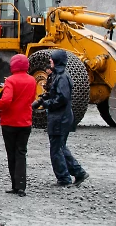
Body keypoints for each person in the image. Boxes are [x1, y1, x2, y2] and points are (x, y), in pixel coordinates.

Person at [32, 50, 89, 187]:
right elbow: (56, 94)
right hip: (60, 117)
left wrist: (47, 104)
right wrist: (43, 99)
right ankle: (77, 173)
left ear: (57, 61)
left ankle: (65, 178)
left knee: (56, 149)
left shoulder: (62, 77)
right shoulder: (58, 75)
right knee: (60, 147)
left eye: (52, 59)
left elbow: (62, 98)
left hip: (60, 118)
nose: (50, 61)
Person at [0, 54, 37, 197]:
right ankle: (21, 186)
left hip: (10, 122)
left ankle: (15, 185)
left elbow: (6, 100)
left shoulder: (10, 80)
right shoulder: (32, 80)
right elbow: (32, 98)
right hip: (25, 121)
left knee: (11, 153)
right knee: (21, 153)